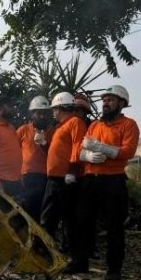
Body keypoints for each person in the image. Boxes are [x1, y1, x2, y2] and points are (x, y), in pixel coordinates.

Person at [66, 85, 140, 280]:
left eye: (110, 100)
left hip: (113, 181)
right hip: (90, 180)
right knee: (82, 222)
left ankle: (114, 269)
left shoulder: (129, 125)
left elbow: (128, 152)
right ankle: (80, 262)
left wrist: (102, 148)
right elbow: (80, 151)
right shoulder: (94, 125)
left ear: (122, 103)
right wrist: (88, 154)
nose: (105, 103)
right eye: (104, 100)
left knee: (114, 226)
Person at [40, 92, 86, 245]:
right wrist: (43, 144)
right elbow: (57, 152)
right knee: (49, 217)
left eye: (54, 109)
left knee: (67, 218)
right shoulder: (60, 127)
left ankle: (72, 256)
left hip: (64, 179)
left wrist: (72, 171)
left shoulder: (75, 123)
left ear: (59, 108)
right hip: (54, 178)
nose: (53, 113)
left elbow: (77, 147)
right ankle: (49, 251)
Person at [17, 95, 55, 219]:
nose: (42, 116)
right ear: (32, 114)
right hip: (27, 178)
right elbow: (14, 153)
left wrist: (45, 144)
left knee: (43, 213)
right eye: (39, 113)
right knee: (27, 213)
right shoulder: (23, 130)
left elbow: (57, 155)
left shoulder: (53, 132)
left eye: (45, 113)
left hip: (46, 178)